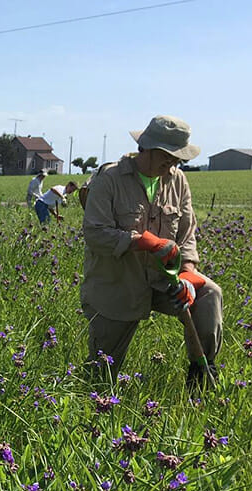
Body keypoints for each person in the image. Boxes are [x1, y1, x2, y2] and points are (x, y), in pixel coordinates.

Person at [81, 114, 222, 387]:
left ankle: (201, 374)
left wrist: (188, 275)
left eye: (178, 158)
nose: (173, 163)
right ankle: (95, 404)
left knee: (209, 294)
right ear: (147, 149)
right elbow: (95, 233)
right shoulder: (109, 179)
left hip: (163, 281)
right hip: (118, 285)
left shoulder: (177, 180)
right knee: (101, 373)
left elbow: (187, 233)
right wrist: (143, 242)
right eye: (168, 156)